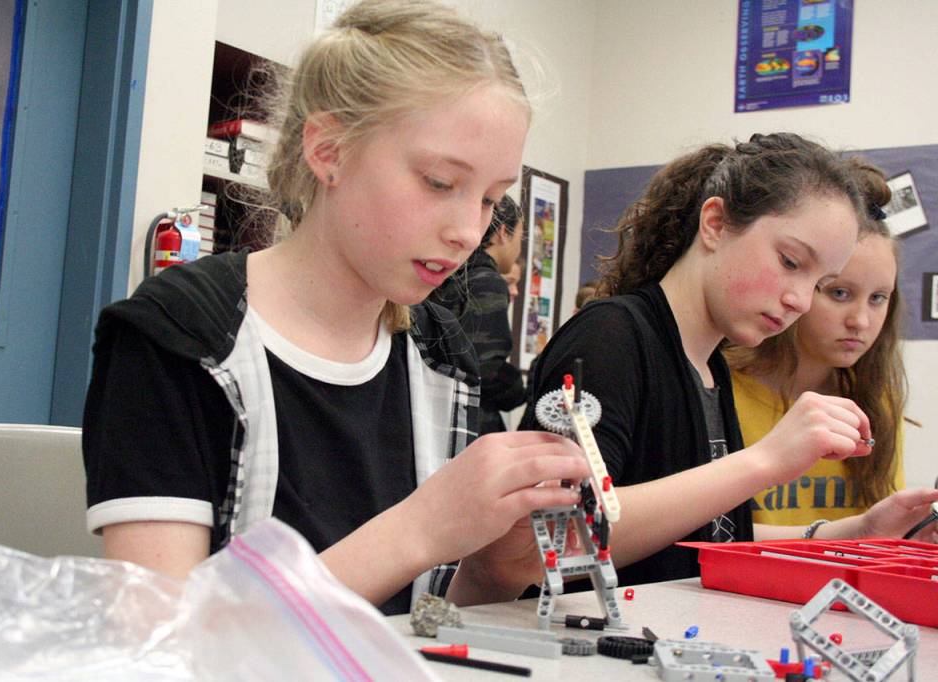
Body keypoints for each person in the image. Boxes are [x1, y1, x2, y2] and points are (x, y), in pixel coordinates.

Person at [82, 0, 591, 616]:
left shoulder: (440, 353)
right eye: (437, 182)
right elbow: (158, 639)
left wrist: (492, 569)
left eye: (489, 199)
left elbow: (420, 616)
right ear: (328, 151)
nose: (466, 231)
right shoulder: (180, 334)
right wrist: (421, 528)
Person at [519, 133, 938, 587]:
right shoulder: (611, 336)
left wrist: (862, 531)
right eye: (790, 261)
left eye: (820, 281)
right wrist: (766, 460)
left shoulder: (708, 365)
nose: (799, 300)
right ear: (715, 223)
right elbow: (537, 546)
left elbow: (698, 539)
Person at [728, 158, 911, 526]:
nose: (860, 321)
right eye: (840, 293)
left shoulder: (877, 400)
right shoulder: (724, 389)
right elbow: (706, 539)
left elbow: (885, 532)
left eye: (878, 298)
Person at [431, 195, 527, 434]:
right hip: (470, 422)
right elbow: (485, 365)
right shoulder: (487, 282)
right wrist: (520, 391)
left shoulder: (447, 273)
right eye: (520, 237)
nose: (518, 248)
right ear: (503, 232)